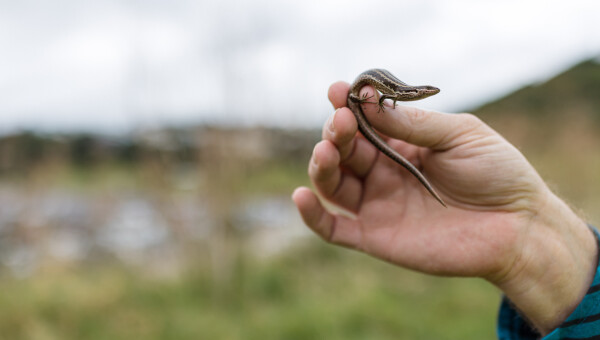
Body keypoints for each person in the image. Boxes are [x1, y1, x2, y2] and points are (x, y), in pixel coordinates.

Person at [292, 81, 600, 339]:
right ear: (415, 94)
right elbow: (379, 95)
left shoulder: (394, 94)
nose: (428, 94)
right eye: (425, 92)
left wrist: (526, 236)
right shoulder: (389, 90)